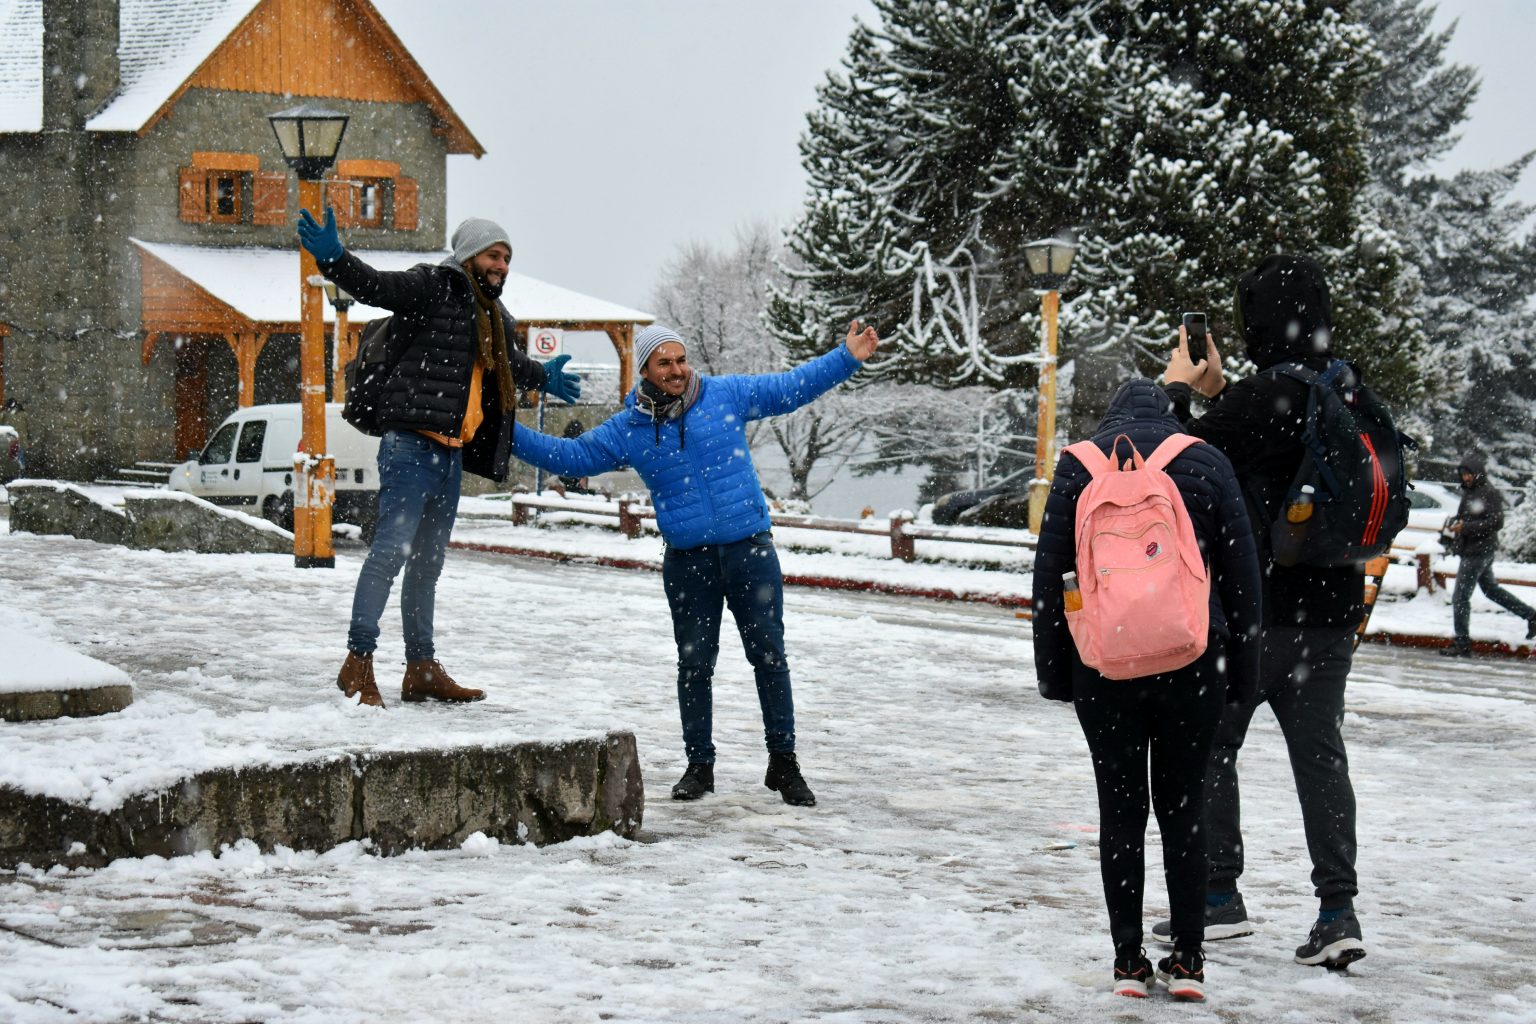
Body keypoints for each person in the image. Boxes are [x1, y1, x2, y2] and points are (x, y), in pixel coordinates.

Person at [511, 321, 880, 807]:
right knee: (694, 666)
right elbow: (573, 456)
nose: (678, 370)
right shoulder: (630, 430)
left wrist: (846, 357)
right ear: (644, 369)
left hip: (750, 551)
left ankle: (784, 764)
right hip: (689, 563)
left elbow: (792, 387)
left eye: (681, 360)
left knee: (770, 658)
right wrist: (501, 429)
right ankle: (699, 766)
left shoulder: (725, 395)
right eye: (664, 363)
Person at [1158, 253, 1371, 967]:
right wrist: (1224, 396)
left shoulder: (1256, 403)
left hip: (1256, 613)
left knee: (1213, 748)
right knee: (1321, 759)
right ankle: (1338, 910)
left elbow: (1176, 461)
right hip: (1334, 614)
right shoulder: (1349, 391)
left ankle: (1219, 896)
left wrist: (1184, 391)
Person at [296, 208, 583, 708]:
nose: (503, 265)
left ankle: (421, 668)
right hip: (411, 446)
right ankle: (358, 663)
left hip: (450, 455)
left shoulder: (492, 316)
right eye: (495, 255)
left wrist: (544, 376)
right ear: (470, 255)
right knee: (389, 554)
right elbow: (377, 287)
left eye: (508, 258)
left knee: (427, 566)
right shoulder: (433, 286)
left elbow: (512, 365)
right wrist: (335, 259)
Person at [1033, 378, 1262, 1000]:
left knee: (1121, 810)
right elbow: (1242, 577)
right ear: (1174, 414)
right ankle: (1187, 958)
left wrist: (1056, 674)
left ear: (1111, 418)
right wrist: (1242, 674)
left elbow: (1052, 576)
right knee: (1185, 808)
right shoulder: (1206, 460)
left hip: (1104, 668)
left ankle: (1129, 962)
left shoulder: (1079, 465)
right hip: (1193, 662)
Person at [1438, 451, 1536, 656]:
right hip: (1475, 550)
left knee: (1460, 597)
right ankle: (1531, 615)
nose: (1465, 478)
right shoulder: (1471, 492)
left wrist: (1465, 528)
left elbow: (1496, 522)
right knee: (1491, 590)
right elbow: (1467, 517)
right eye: (1463, 474)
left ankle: (1462, 643)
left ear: (1478, 473)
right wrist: (1454, 526)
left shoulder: (1487, 493)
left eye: (1469, 474)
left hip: (1478, 551)